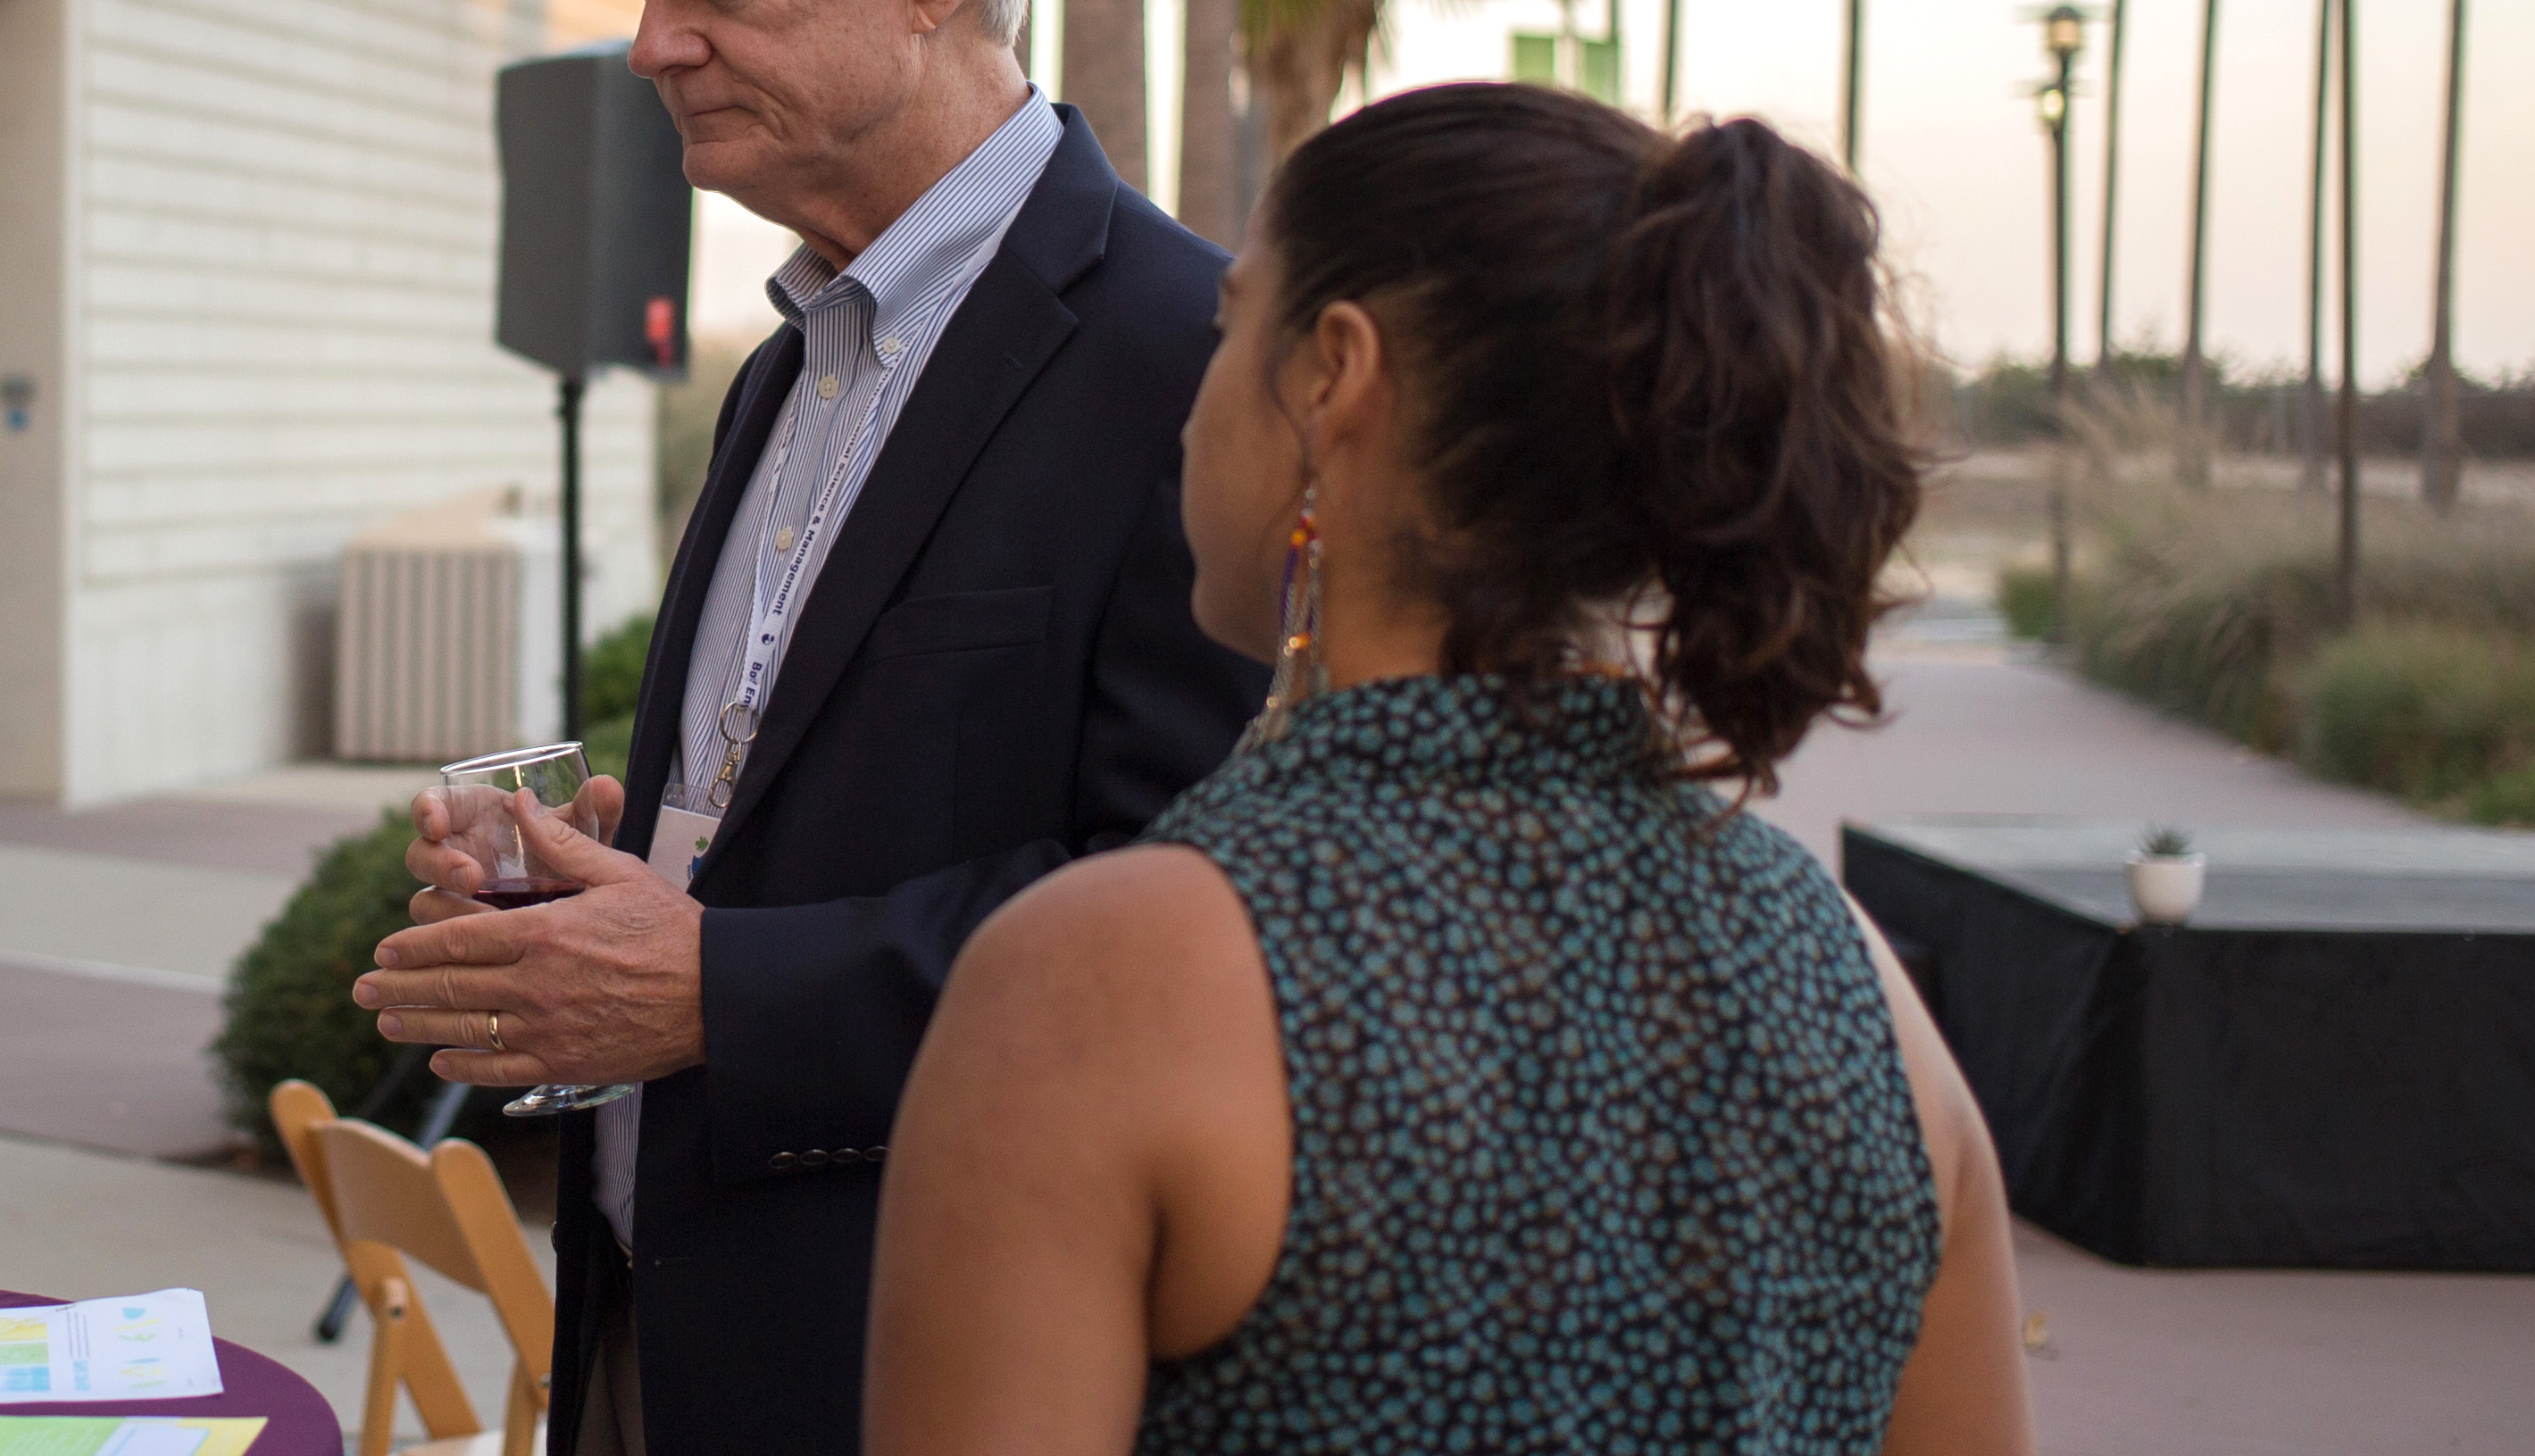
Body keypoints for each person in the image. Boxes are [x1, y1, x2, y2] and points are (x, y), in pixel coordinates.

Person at [354, 0, 1261, 1456]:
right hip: (641, 1336)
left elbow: (1210, 911)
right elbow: (801, 821)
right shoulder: (788, 353)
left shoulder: (1190, 357)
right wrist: (608, 882)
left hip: (921, 1375)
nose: (649, 46)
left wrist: (717, 988)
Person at [864, 86, 2031, 1454]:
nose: (1191, 412)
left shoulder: (1095, 983)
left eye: (1233, 326)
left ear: (1332, 378)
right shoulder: (1857, 987)